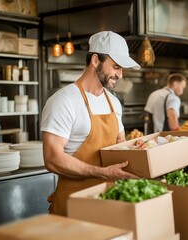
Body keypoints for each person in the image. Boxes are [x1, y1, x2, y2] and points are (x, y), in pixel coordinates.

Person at [41, 31, 140, 216]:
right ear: (95, 60)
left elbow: (121, 146)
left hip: (109, 201)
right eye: (116, 67)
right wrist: (102, 172)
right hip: (73, 205)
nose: (120, 75)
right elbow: (52, 159)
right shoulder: (64, 101)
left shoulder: (114, 103)